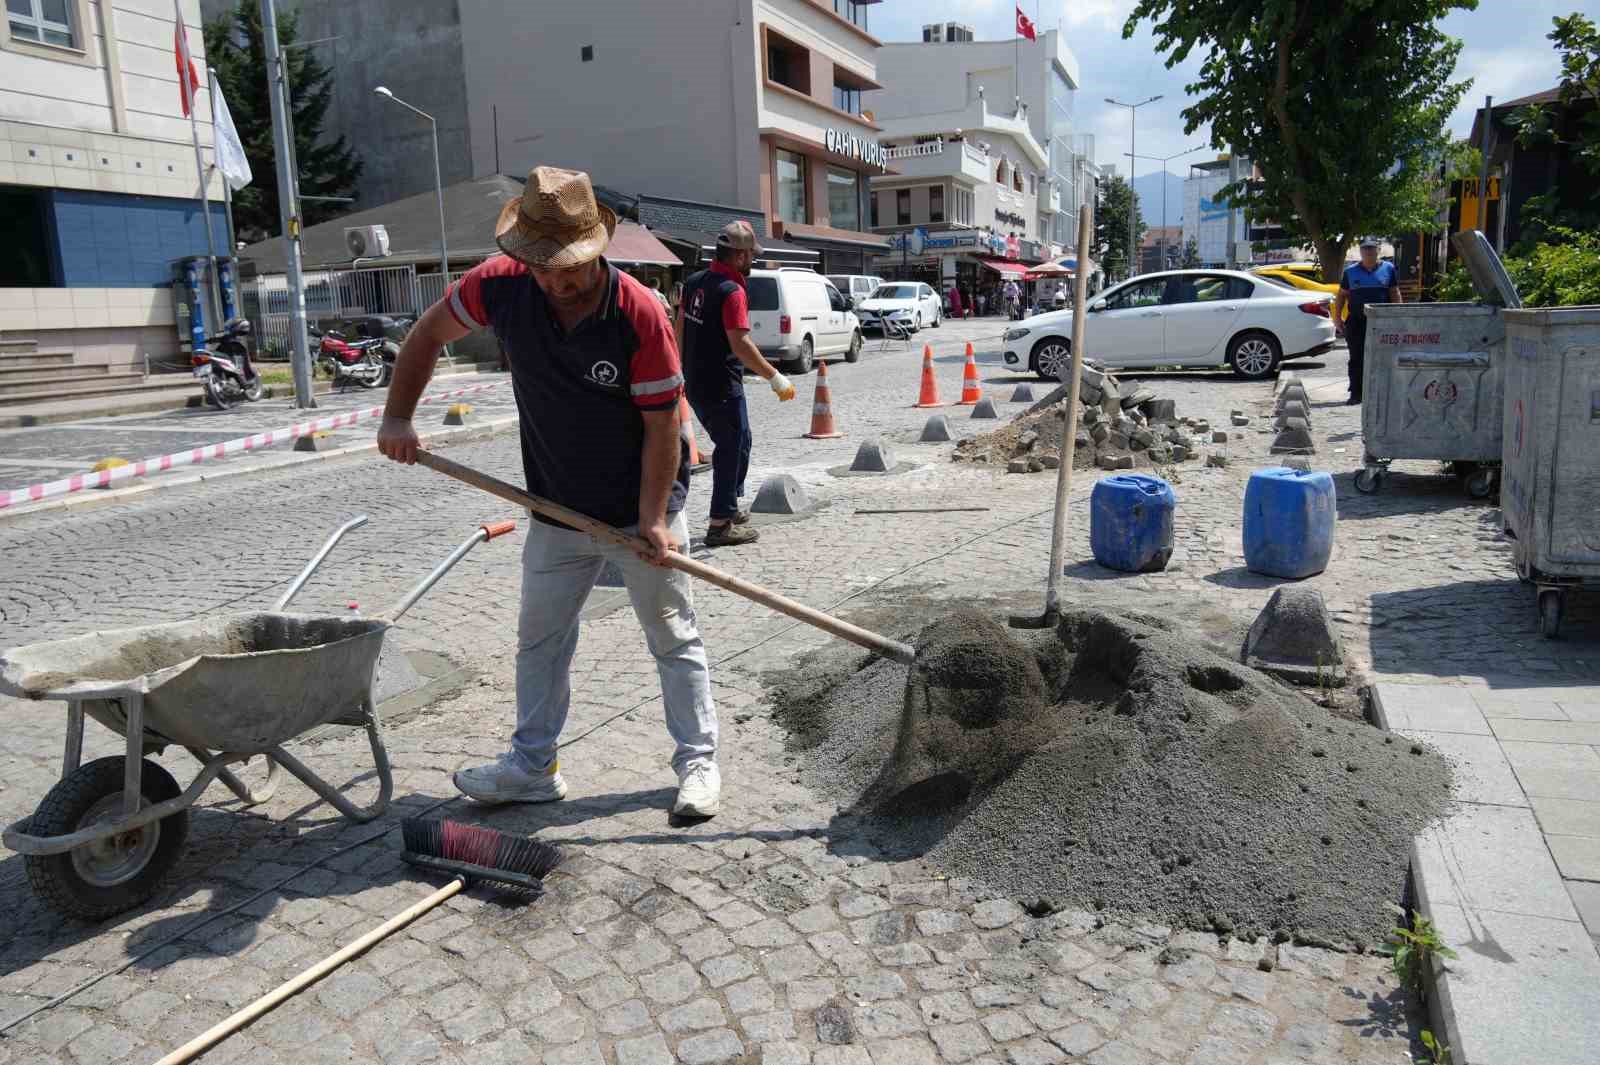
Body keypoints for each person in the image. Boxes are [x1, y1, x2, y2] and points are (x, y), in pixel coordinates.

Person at [375, 166, 722, 818]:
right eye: (546, 267)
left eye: (573, 266)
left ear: (598, 249)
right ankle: (533, 766)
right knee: (540, 639)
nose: (561, 281)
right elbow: (425, 336)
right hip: (557, 504)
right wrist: (398, 417)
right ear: (524, 257)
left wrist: (653, 518)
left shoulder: (639, 313)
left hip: (639, 505)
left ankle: (699, 762)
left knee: (672, 634)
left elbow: (661, 428)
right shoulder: (498, 288)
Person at [676, 220, 796, 548]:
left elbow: (679, 328)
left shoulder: (695, 281)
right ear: (740, 256)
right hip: (722, 384)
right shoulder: (733, 291)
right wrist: (775, 376)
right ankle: (721, 523)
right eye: (751, 256)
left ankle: (730, 504)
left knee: (740, 442)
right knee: (732, 447)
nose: (753, 261)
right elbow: (740, 344)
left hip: (697, 382)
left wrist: (678, 368)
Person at [1332, 237, 1402, 405]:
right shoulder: (1350, 272)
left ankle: (1381, 393)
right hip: (1356, 322)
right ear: (1360, 251)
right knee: (1356, 358)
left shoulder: (1389, 269)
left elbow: (1394, 293)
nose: (1368, 252)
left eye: (1371, 248)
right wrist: (1337, 319)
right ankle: (1356, 393)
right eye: (1365, 249)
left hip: (1382, 323)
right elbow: (1341, 296)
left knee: (1383, 358)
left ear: (1378, 250)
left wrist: (1399, 316)